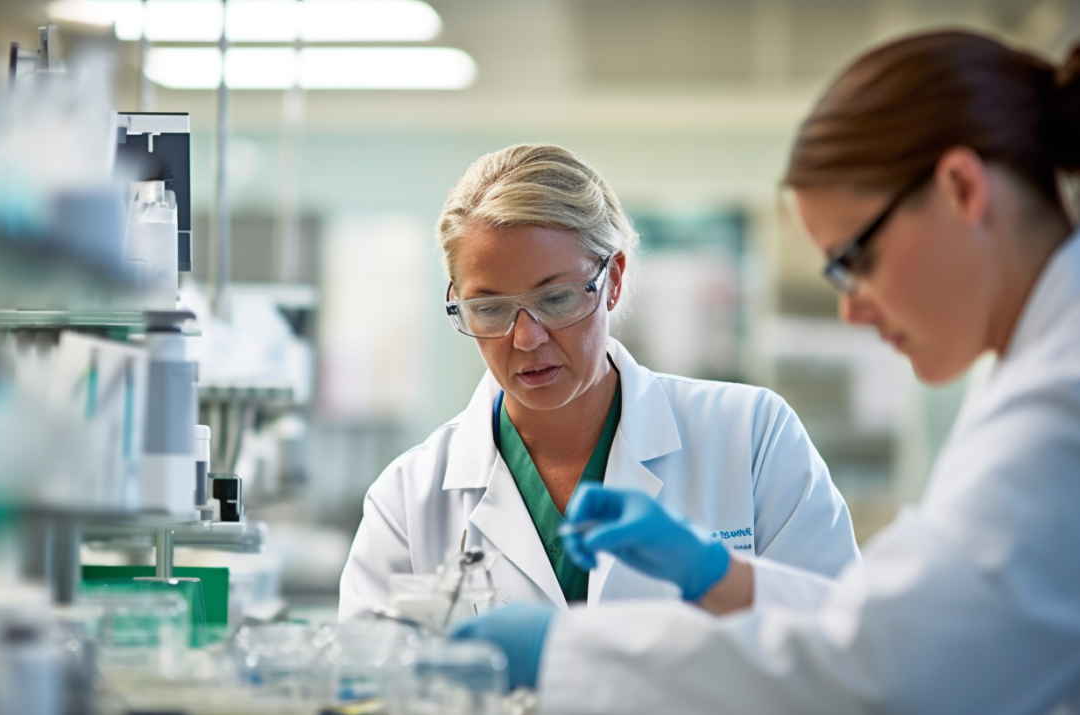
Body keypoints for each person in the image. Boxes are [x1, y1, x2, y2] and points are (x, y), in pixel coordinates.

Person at [451, 30, 1080, 714]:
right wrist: (719, 574)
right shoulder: (1038, 368)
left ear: (961, 189)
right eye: (490, 306)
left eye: (854, 260)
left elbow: (890, 670)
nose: (851, 310)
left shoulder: (1059, 397)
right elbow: (887, 626)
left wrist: (567, 652)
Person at [338, 144, 859, 623]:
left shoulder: (751, 436)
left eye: (557, 298)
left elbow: (844, 644)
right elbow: (366, 683)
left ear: (612, 279)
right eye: (491, 308)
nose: (525, 338)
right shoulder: (408, 496)